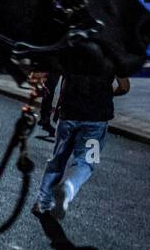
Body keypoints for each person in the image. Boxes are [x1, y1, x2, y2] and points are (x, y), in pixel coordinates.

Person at [32, 72, 131, 219]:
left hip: (68, 114)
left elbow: (51, 69)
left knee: (57, 159)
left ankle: (43, 201)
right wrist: (110, 93)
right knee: (87, 162)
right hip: (97, 119)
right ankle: (68, 187)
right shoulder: (112, 52)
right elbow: (124, 86)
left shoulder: (73, 49)